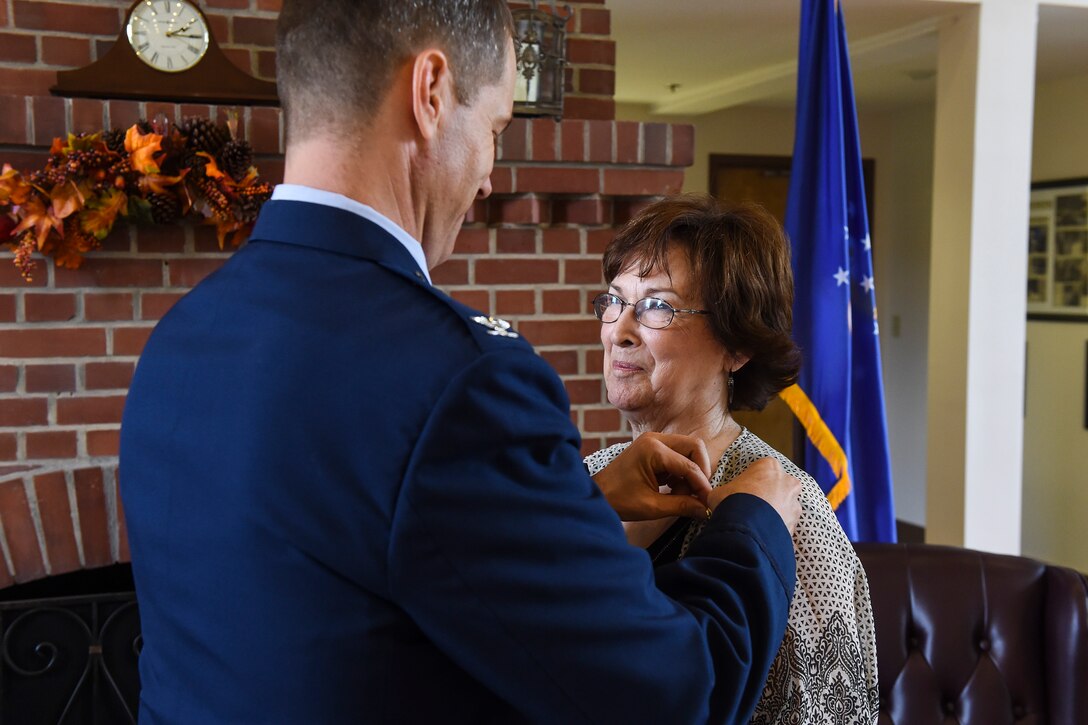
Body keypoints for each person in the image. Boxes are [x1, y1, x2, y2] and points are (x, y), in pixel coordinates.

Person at [119, 2, 803, 723]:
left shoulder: (181, 337)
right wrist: (752, 523)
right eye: (495, 128)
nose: (487, 179)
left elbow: (337, 573)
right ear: (431, 93)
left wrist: (579, 502)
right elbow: (674, 696)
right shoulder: (464, 382)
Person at [584, 195, 880, 724]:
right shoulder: (586, 478)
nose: (619, 331)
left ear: (736, 347)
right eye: (615, 301)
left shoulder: (793, 513)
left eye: (656, 306)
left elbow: (831, 710)